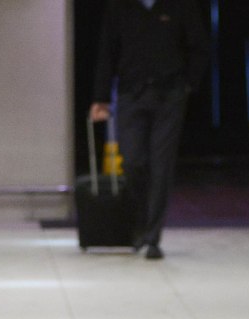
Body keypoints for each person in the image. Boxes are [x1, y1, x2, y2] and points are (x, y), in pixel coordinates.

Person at [89, 0, 209, 260]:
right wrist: (101, 97)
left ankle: (152, 237)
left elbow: (199, 46)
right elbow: (107, 51)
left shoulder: (181, 6)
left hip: (169, 96)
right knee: (132, 161)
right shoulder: (120, 7)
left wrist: (188, 85)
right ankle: (140, 225)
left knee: (161, 165)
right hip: (131, 95)